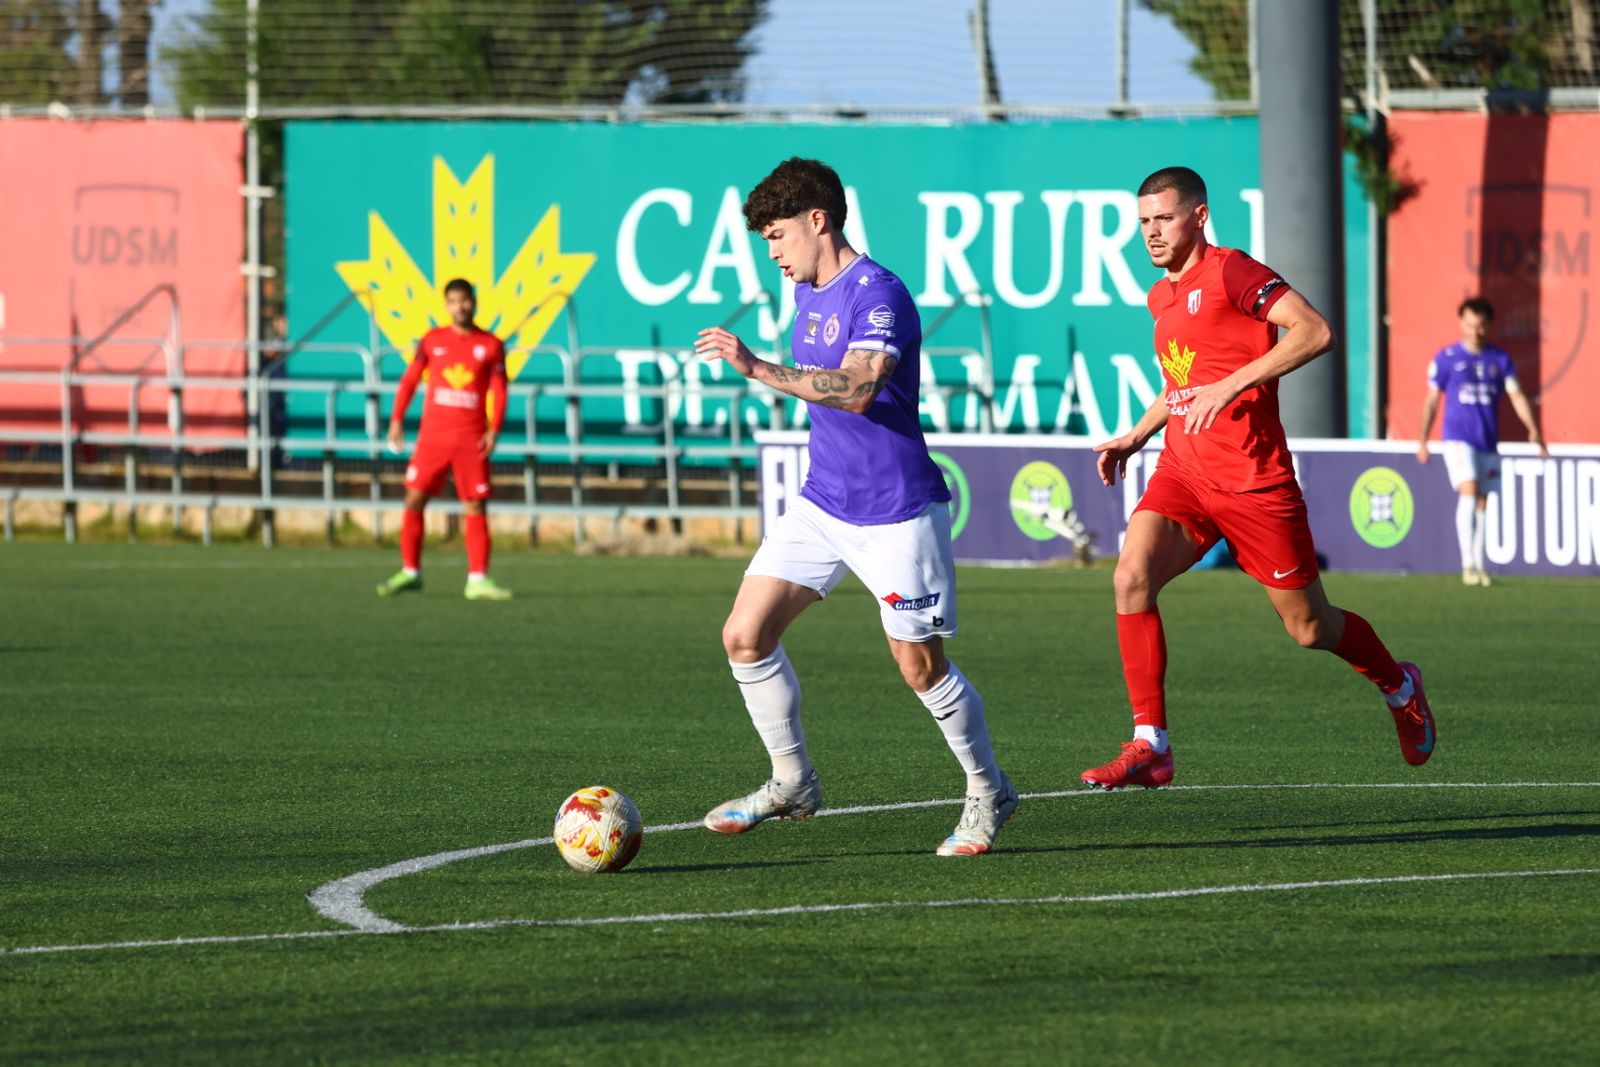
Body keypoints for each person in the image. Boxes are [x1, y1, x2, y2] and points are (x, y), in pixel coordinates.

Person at [693, 157, 1017, 856]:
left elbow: (860, 388)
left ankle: (990, 789)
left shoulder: (881, 293)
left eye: (777, 236)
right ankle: (793, 781)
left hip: (897, 512)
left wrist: (756, 368)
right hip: (822, 504)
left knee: (918, 667)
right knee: (744, 635)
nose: (772, 254)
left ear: (819, 220)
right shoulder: (807, 291)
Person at [1082, 165, 1436, 791]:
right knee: (1130, 577)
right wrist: (1138, 433)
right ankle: (1150, 744)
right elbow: (1183, 383)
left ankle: (1399, 684)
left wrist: (1238, 379)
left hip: (1253, 481)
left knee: (1309, 628)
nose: (1151, 233)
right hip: (1184, 471)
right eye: (1143, 222)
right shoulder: (1160, 296)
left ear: (1199, 215)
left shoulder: (1233, 271)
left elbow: (1315, 331)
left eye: (1163, 218)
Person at [375, 278, 513, 601]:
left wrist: (495, 428)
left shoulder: (491, 345)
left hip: (471, 438)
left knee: (475, 504)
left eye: (464, 300)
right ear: (446, 305)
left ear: (474, 302)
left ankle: (477, 578)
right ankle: (410, 572)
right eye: (453, 300)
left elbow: (500, 390)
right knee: (413, 499)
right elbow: (410, 380)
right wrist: (396, 419)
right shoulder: (432, 340)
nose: (459, 306)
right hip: (433, 437)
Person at [1415, 297, 1547, 586]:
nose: (1475, 331)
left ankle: (1480, 563)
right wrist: (1423, 439)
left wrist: (1534, 430)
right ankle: (1467, 565)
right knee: (1469, 490)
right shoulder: (1446, 358)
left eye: (1481, 325)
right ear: (1462, 323)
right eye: (1470, 324)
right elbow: (1431, 401)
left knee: (1483, 501)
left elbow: (1517, 396)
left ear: (1488, 325)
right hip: (1458, 439)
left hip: (1487, 441)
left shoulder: (1499, 360)